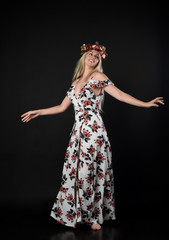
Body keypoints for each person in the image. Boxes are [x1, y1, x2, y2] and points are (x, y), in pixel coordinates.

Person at [21, 42, 164, 231]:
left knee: (92, 172)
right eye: (90, 54)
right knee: (75, 173)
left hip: (93, 132)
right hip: (78, 134)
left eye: (97, 57)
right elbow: (61, 107)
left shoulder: (98, 76)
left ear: (99, 61)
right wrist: (38, 112)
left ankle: (95, 217)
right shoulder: (75, 81)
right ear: (84, 57)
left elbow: (120, 95)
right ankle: (75, 214)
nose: (93, 58)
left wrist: (145, 104)